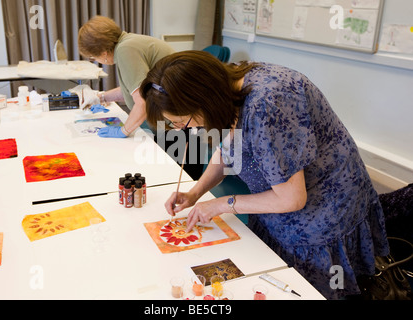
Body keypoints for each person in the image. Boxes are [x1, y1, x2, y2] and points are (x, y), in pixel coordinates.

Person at [139, 50, 390, 300]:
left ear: (204, 99)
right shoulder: (226, 86)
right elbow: (228, 148)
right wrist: (195, 192)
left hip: (323, 202)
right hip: (279, 196)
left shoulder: (267, 104)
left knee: (306, 290)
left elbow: (292, 199)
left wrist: (223, 204)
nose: (186, 129)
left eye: (183, 122)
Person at [78, 15, 175, 138]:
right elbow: (134, 90)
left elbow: (143, 101)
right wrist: (101, 97)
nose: (96, 61)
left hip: (177, 118)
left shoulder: (125, 50)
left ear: (104, 53)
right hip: (173, 112)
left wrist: (123, 131)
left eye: (93, 57)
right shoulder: (127, 43)